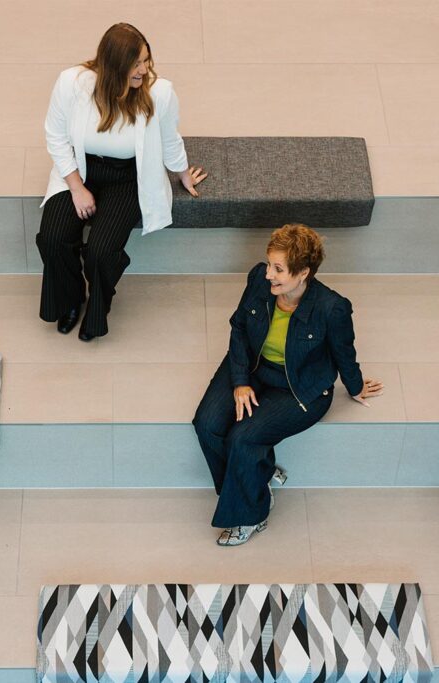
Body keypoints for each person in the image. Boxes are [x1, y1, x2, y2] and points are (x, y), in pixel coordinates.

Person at [192, 224, 384, 546]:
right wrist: (240, 382)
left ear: (303, 272)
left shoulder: (331, 308)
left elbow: (344, 353)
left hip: (298, 387)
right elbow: (239, 327)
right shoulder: (257, 279)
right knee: (207, 424)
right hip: (252, 368)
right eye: (269, 264)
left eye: (278, 269)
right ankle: (259, 475)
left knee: (242, 438)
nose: (268, 274)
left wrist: (354, 386)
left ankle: (251, 514)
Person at [37, 23, 206, 341]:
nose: (144, 70)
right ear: (113, 67)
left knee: (101, 252)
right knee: (52, 238)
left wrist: (182, 171)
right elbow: (55, 136)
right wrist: (76, 187)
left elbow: (170, 138)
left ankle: (99, 309)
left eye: (146, 60)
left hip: (127, 177)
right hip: (81, 169)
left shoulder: (160, 93)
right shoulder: (72, 83)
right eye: (136, 64)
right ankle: (72, 300)